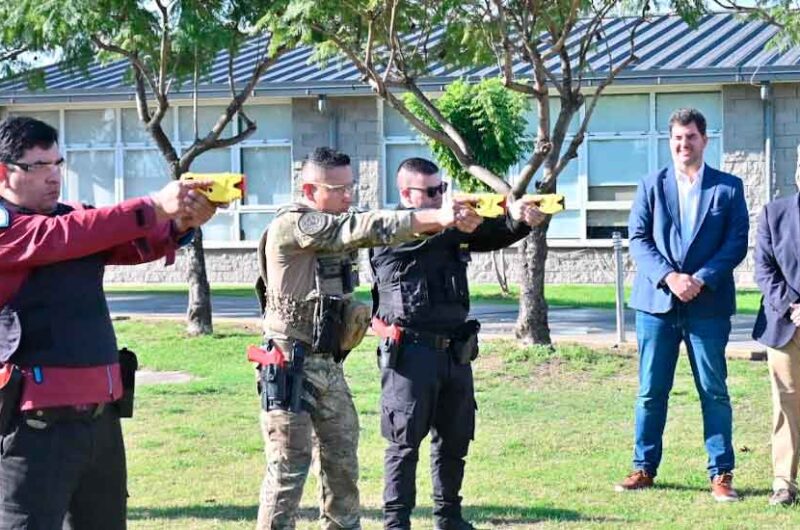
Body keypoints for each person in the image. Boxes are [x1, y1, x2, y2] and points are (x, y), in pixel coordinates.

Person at [0, 115, 217, 528]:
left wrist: (180, 223)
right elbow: (67, 236)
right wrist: (153, 205)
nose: (54, 176)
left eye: (58, 164)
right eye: (39, 166)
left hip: (99, 421)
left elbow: (126, 244)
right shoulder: (13, 229)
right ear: (3, 172)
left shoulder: (67, 221)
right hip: (35, 427)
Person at [255, 147, 482, 530]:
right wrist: (435, 216)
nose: (349, 196)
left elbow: (371, 223)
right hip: (289, 364)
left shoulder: (339, 219)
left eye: (352, 187)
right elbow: (356, 230)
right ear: (311, 190)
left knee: (343, 463)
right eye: (339, 188)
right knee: (288, 471)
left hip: (326, 364)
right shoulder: (295, 225)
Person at [371, 157, 546, 530]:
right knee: (404, 445)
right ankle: (395, 523)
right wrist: (450, 220)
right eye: (430, 192)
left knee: (454, 441)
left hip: (455, 352)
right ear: (405, 193)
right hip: (410, 355)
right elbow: (424, 234)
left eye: (442, 189)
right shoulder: (389, 233)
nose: (439, 197)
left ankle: (449, 516)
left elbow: (491, 234)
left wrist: (518, 220)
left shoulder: (453, 228)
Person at [616, 108, 749, 501]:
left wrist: (701, 279)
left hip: (707, 307)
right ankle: (643, 468)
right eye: (677, 137)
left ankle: (721, 473)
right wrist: (670, 278)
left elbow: (736, 242)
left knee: (714, 390)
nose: (683, 144)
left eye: (690, 136)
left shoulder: (728, 188)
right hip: (656, 304)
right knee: (650, 391)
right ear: (669, 141)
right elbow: (638, 239)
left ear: (704, 140)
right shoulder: (650, 185)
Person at [752, 187, 800, 506]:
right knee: (786, 403)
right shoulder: (773, 213)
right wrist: (793, 306)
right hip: (786, 323)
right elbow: (764, 270)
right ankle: (784, 483)